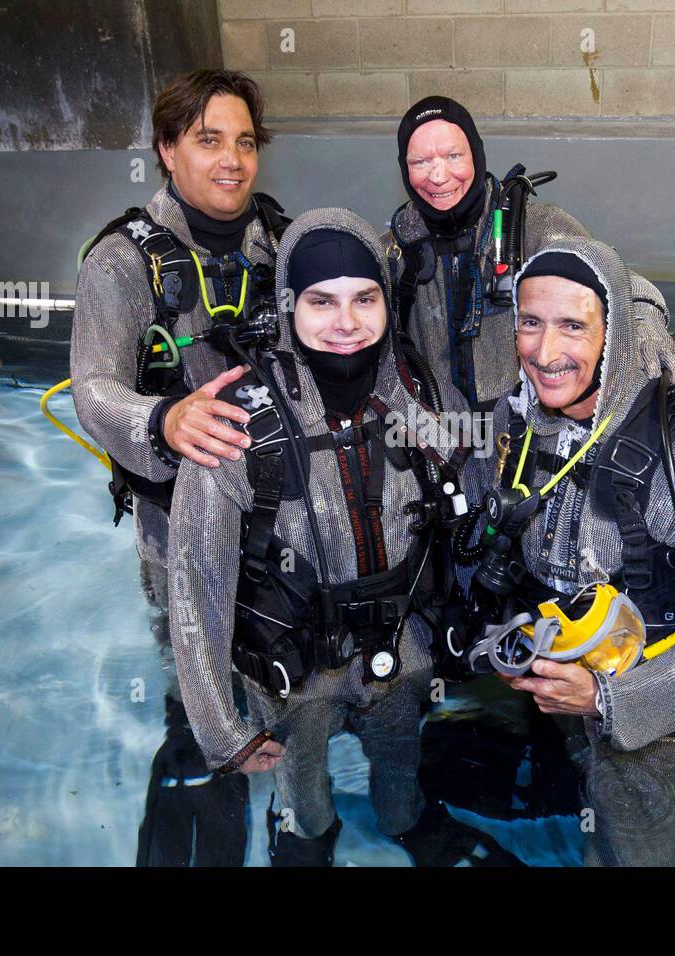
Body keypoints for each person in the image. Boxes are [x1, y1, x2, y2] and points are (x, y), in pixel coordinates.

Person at [167, 207, 519, 867]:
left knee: (399, 769)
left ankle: (403, 818)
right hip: (293, 668)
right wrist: (222, 733)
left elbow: (468, 497)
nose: (346, 322)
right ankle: (306, 835)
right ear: (288, 308)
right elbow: (196, 588)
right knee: (303, 795)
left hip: (401, 648)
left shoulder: (416, 390)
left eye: (365, 298)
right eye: (321, 301)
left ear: (388, 303)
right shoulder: (231, 426)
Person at [458, 238, 675, 865]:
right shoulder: (514, 422)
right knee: (580, 818)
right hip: (558, 693)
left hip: (658, 724)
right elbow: (487, 539)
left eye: (573, 326)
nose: (545, 353)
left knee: (640, 853)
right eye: (530, 322)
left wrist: (609, 701)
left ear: (615, 333)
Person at [69, 69, 288, 865]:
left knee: (266, 660)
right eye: (207, 140)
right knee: (191, 670)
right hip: (173, 529)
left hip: (271, 522)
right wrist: (163, 417)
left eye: (243, 141)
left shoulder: (281, 241)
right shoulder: (121, 263)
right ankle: (196, 767)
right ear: (166, 150)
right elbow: (92, 392)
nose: (231, 159)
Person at [384, 96, 591, 406]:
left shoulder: (538, 229)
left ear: (476, 155)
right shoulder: (392, 251)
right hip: (437, 430)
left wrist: (643, 327)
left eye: (453, 155)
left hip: (522, 428)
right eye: (420, 162)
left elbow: (620, 286)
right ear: (404, 169)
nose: (439, 176)